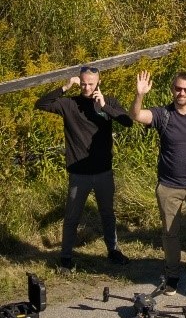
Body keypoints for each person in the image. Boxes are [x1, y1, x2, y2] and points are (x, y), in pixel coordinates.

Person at [131, 70, 186, 292]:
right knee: (170, 233)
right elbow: (136, 115)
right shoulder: (163, 114)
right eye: (178, 88)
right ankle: (172, 275)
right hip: (169, 186)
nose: (181, 93)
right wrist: (139, 94)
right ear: (172, 89)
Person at [35, 67, 133, 269]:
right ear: (79, 82)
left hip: (104, 171)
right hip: (78, 174)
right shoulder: (70, 104)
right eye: (83, 83)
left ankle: (113, 250)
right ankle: (66, 257)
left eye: (91, 83)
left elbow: (127, 122)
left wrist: (104, 106)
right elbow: (41, 104)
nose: (87, 87)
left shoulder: (109, 101)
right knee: (72, 216)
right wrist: (65, 87)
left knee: (108, 214)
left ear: (98, 82)